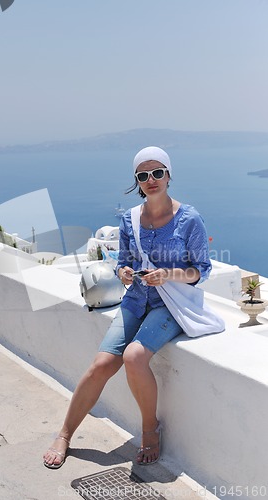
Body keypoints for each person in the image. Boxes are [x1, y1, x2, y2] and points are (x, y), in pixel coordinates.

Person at [43, 146, 211, 469]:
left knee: (134, 357)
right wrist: (124, 272)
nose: (151, 180)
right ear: (137, 180)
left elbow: (201, 270)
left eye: (157, 173)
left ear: (169, 175)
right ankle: (64, 434)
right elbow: (124, 262)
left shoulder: (189, 219)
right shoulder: (129, 219)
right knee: (101, 364)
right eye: (143, 175)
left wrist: (168, 275)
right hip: (135, 299)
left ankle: (150, 430)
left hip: (170, 304)